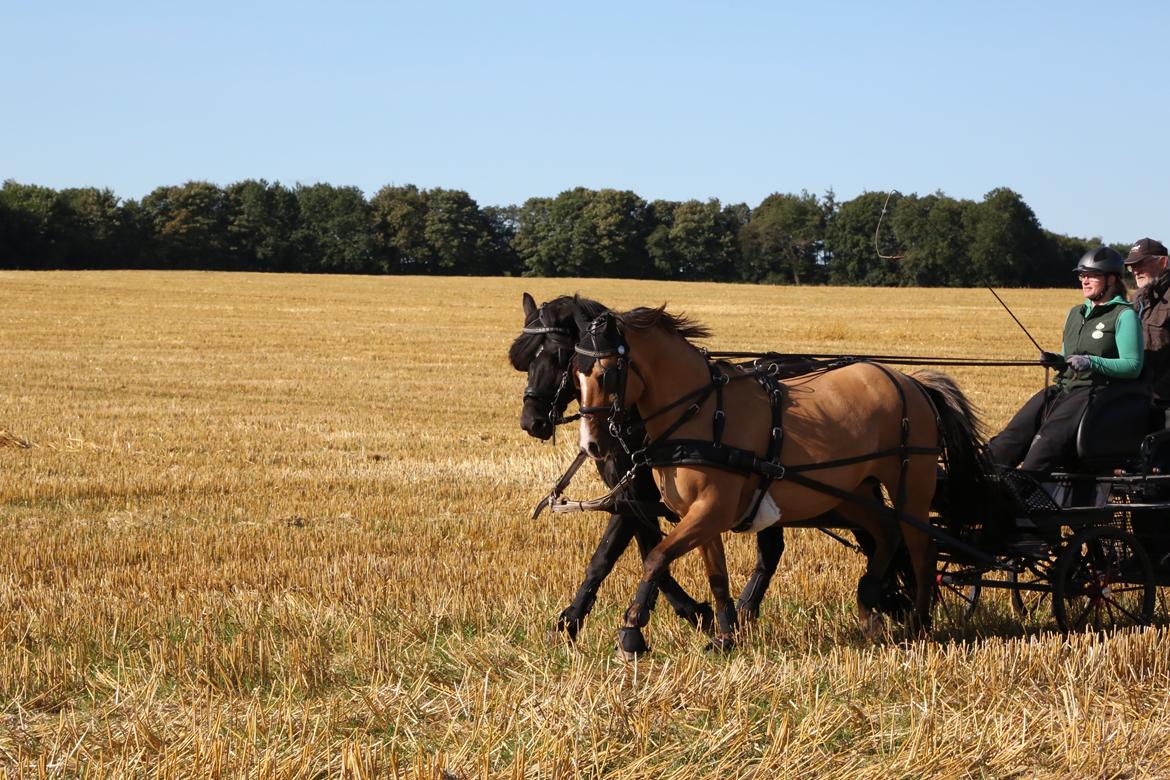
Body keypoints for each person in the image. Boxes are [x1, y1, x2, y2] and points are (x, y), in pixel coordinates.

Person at [987, 246, 1143, 474]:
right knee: (1012, 437)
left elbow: (1133, 366)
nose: (1085, 280)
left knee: (1045, 443)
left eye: (1092, 275)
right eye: (1082, 275)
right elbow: (1070, 357)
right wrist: (1058, 361)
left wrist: (1092, 362)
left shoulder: (1123, 315)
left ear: (1111, 279)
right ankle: (979, 477)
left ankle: (1019, 494)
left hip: (1096, 394)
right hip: (1064, 389)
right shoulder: (1075, 314)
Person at [1124, 237, 1170, 401]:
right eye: (1132, 266)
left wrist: (1160, 391)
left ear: (1163, 262)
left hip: (1162, 399)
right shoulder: (1135, 300)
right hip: (1136, 393)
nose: (1135, 271)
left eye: (1141, 264)